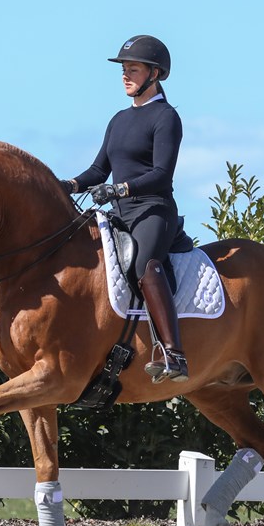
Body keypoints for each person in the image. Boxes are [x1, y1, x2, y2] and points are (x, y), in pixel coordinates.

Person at [61, 35, 189, 383]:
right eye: (124, 69)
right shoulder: (118, 119)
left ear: (155, 74)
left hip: (152, 209)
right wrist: (67, 186)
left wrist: (121, 188)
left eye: (133, 69)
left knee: (144, 266)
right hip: (118, 211)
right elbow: (98, 171)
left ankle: (173, 353)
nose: (125, 75)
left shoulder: (166, 118)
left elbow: (161, 174)